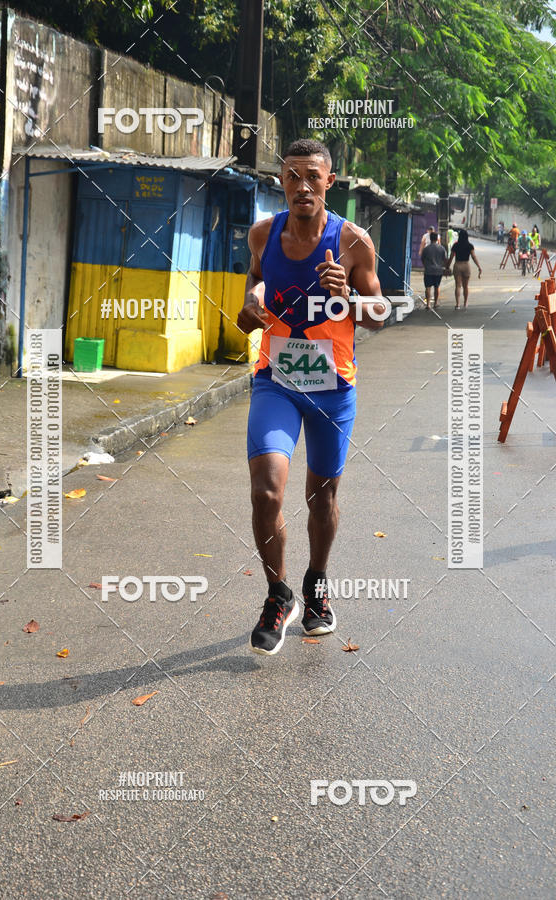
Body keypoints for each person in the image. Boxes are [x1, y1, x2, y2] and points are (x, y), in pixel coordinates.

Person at [236, 138, 385, 656]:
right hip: (276, 380)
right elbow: (252, 291)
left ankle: (316, 583)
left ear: (330, 181)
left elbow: (382, 312)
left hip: (332, 389)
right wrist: (248, 308)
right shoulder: (262, 234)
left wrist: (348, 299)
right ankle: (278, 595)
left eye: (312, 176)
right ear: (282, 181)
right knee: (266, 491)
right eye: (292, 176)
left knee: (321, 498)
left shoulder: (354, 243)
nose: (302, 185)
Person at [447, 229, 482, 309]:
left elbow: (451, 257)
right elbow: (473, 257)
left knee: (458, 286)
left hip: (457, 265)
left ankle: (457, 304)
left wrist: (447, 266)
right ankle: (465, 303)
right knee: (465, 286)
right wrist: (479, 266)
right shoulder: (470, 246)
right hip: (466, 265)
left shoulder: (455, 245)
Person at [421, 232, 447, 308]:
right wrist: (445, 267)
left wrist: (426, 266)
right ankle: (435, 303)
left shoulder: (426, 249)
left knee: (428, 287)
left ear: (430, 238)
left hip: (428, 270)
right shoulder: (442, 248)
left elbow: (422, 259)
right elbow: (445, 259)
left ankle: (428, 304)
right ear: (437, 239)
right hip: (438, 271)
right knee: (437, 287)